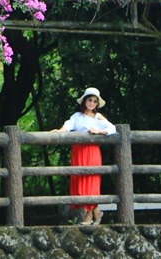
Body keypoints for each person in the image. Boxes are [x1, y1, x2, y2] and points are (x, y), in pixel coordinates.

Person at [51, 87, 116, 225]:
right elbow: (68, 125)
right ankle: (96, 211)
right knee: (80, 182)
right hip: (79, 151)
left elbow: (112, 128)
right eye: (89, 100)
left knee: (91, 182)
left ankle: (89, 215)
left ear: (97, 104)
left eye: (94, 101)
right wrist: (60, 131)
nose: (92, 103)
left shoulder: (98, 117)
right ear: (85, 101)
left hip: (92, 151)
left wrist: (99, 131)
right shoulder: (77, 116)